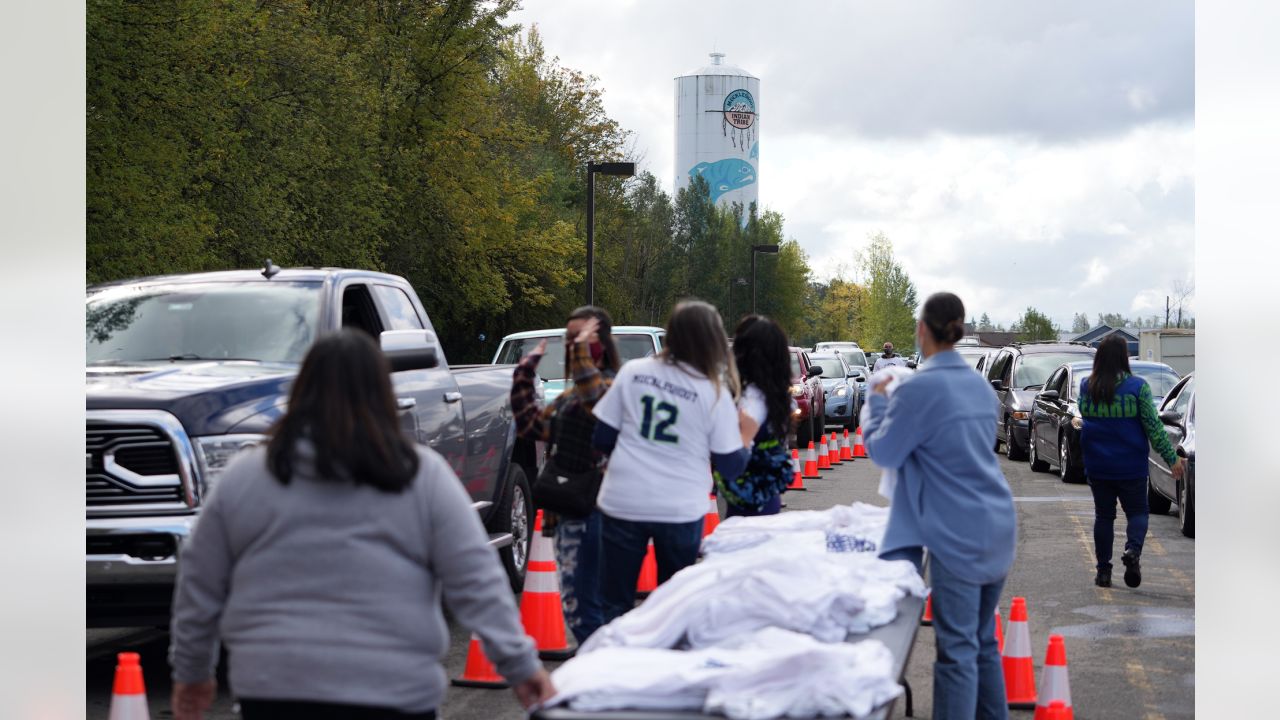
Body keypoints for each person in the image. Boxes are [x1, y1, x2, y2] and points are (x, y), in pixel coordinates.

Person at [168, 330, 554, 720]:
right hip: (396, 688)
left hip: (275, 686)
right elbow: (475, 580)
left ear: (301, 392)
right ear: (382, 394)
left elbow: (200, 581)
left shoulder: (247, 475)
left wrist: (192, 673)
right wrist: (521, 667)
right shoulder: (419, 475)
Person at [862, 292, 1015, 720]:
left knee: (957, 653)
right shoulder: (981, 387)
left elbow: (884, 452)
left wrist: (876, 399)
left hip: (958, 534)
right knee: (981, 641)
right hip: (997, 524)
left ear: (922, 330)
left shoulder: (920, 387)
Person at [590, 300, 751, 623]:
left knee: (612, 604)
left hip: (624, 498)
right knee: (674, 608)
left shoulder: (634, 371)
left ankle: (612, 665)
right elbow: (732, 466)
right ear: (713, 339)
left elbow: (601, 437)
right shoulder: (713, 391)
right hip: (680, 506)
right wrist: (745, 440)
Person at [510, 306, 621, 644]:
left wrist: (579, 351)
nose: (571, 346)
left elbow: (593, 397)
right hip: (567, 510)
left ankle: (603, 672)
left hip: (595, 513)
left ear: (600, 341)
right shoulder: (572, 396)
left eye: (580, 338)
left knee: (585, 607)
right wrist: (525, 372)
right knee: (578, 604)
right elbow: (532, 425)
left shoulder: (613, 388)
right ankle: (602, 669)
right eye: (568, 339)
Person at [1073, 334, 1185, 589]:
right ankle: (1132, 551)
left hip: (1098, 464)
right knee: (1137, 513)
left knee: (1104, 516)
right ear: (1124, 358)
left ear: (1099, 358)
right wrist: (1171, 459)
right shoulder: (1137, 388)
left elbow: (1084, 415)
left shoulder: (1085, 387)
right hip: (1130, 466)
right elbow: (1153, 428)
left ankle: (1103, 572)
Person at [717, 315, 795, 517]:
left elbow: (734, 458)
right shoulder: (776, 396)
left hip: (748, 503)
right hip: (764, 498)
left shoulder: (749, 401)